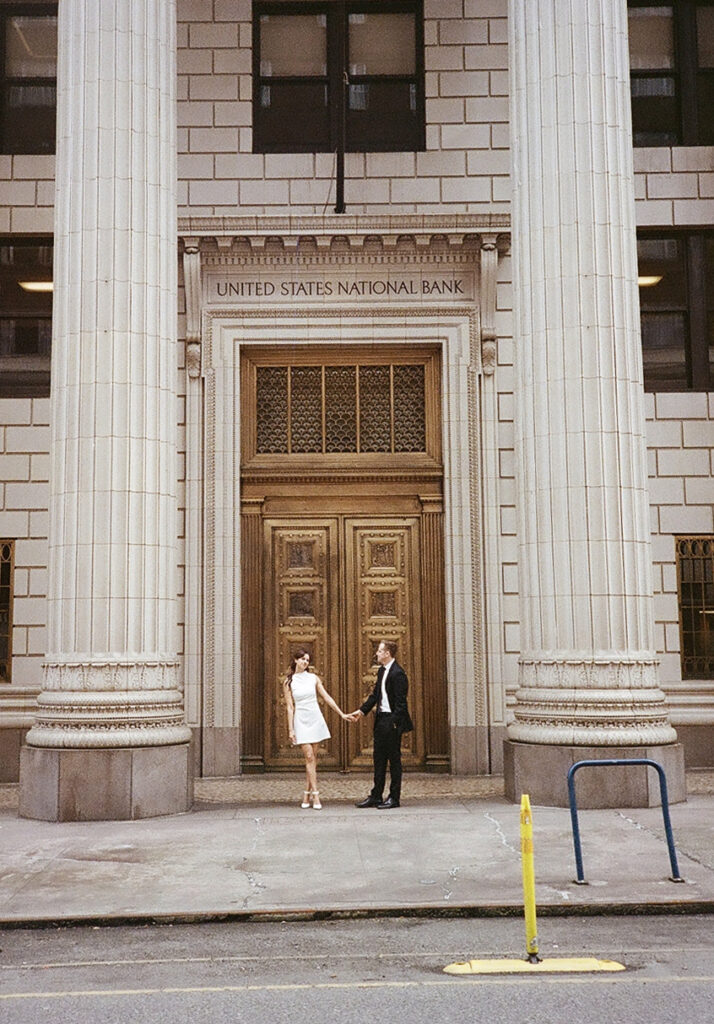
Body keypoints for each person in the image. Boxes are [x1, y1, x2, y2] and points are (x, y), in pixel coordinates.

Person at [348, 640, 413, 809]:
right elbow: (375, 695)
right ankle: (376, 795)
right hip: (380, 720)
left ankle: (394, 797)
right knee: (379, 760)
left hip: (391, 722)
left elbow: (401, 703)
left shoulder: (398, 673)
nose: (376, 654)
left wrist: (393, 723)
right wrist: (361, 711)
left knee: (394, 761)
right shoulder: (382, 671)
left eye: (379, 651)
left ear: (387, 653)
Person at [283, 648, 347, 809]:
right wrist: (291, 729)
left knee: (312, 760)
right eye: (303, 659)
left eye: (307, 660)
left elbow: (326, 697)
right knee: (309, 757)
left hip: (315, 718)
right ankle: (316, 795)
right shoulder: (288, 682)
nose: (305, 662)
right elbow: (290, 707)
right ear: (296, 660)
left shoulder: (313, 678)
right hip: (301, 720)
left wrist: (341, 714)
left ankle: (306, 793)